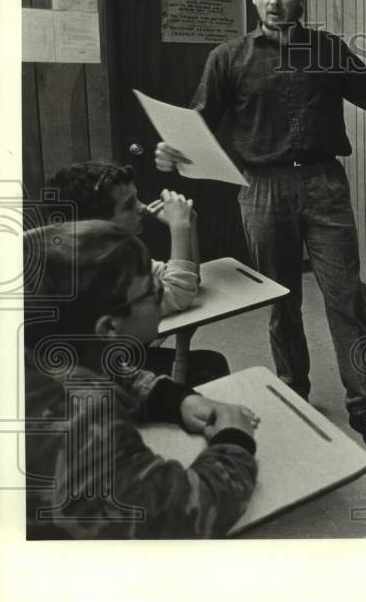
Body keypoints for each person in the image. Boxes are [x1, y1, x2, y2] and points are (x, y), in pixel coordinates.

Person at [154, 0, 366, 451]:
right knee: (281, 301)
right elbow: (198, 124)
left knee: (346, 299)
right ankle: (293, 391)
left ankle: (364, 405)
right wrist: (172, 152)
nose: (275, 1)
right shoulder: (227, 58)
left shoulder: (328, 49)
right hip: (262, 189)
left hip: (324, 186)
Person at [23, 220, 259, 539]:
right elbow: (184, 515)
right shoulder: (81, 416)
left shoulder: (35, 347)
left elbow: (105, 369)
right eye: (151, 289)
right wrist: (234, 440)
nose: (161, 291)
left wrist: (175, 399)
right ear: (109, 328)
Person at [46, 160, 230, 386]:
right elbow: (180, 293)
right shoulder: (92, 271)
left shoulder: (116, 254)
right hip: (97, 376)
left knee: (209, 363)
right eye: (128, 205)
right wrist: (179, 229)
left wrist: (189, 224)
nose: (142, 208)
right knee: (209, 367)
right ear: (94, 225)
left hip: (115, 360)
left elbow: (188, 280)